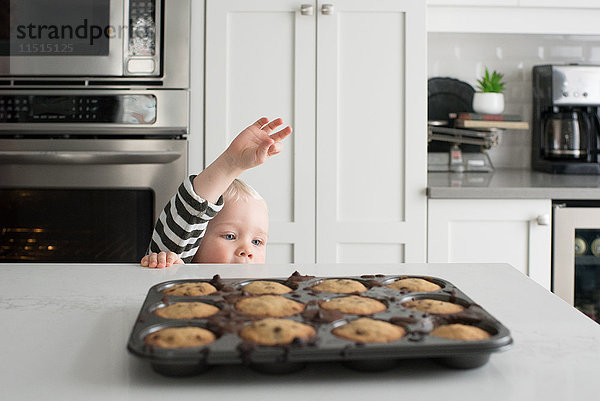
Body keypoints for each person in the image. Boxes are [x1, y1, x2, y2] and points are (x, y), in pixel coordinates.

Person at [140, 117, 292, 268]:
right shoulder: (177, 271)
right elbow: (191, 211)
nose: (247, 251)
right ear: (195, 240)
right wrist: (231, 162)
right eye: (230, 236)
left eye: (257, 242)